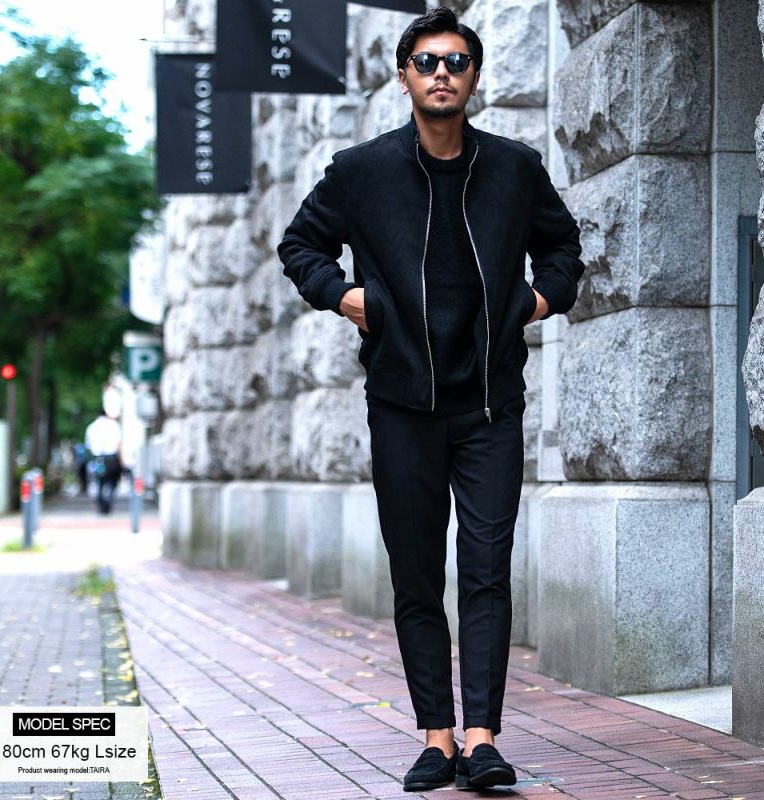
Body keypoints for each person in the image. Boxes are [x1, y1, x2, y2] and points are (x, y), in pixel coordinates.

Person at [278, 6, 585, 792]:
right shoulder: (362, 171)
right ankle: (437, 737)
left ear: (474, 76)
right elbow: (299, 243)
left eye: (455, 61)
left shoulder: (514, 168)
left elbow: (563, 247)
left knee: (485, 571)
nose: (441, 73)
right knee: (417, 577)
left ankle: (482, 741)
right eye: (426, 61)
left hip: (489, 406)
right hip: (402, 405)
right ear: (404, 76)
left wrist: (536, 303)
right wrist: (346, 296)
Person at [84, 406, 123, 515]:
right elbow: (119, 445)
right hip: (112, 458)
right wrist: (121, 460)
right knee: (112, 481)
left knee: (99, 481)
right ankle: (109, 500)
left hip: (97, 458)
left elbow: (88, 446)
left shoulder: (91, 427)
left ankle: (101, 503)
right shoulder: (114, 425)